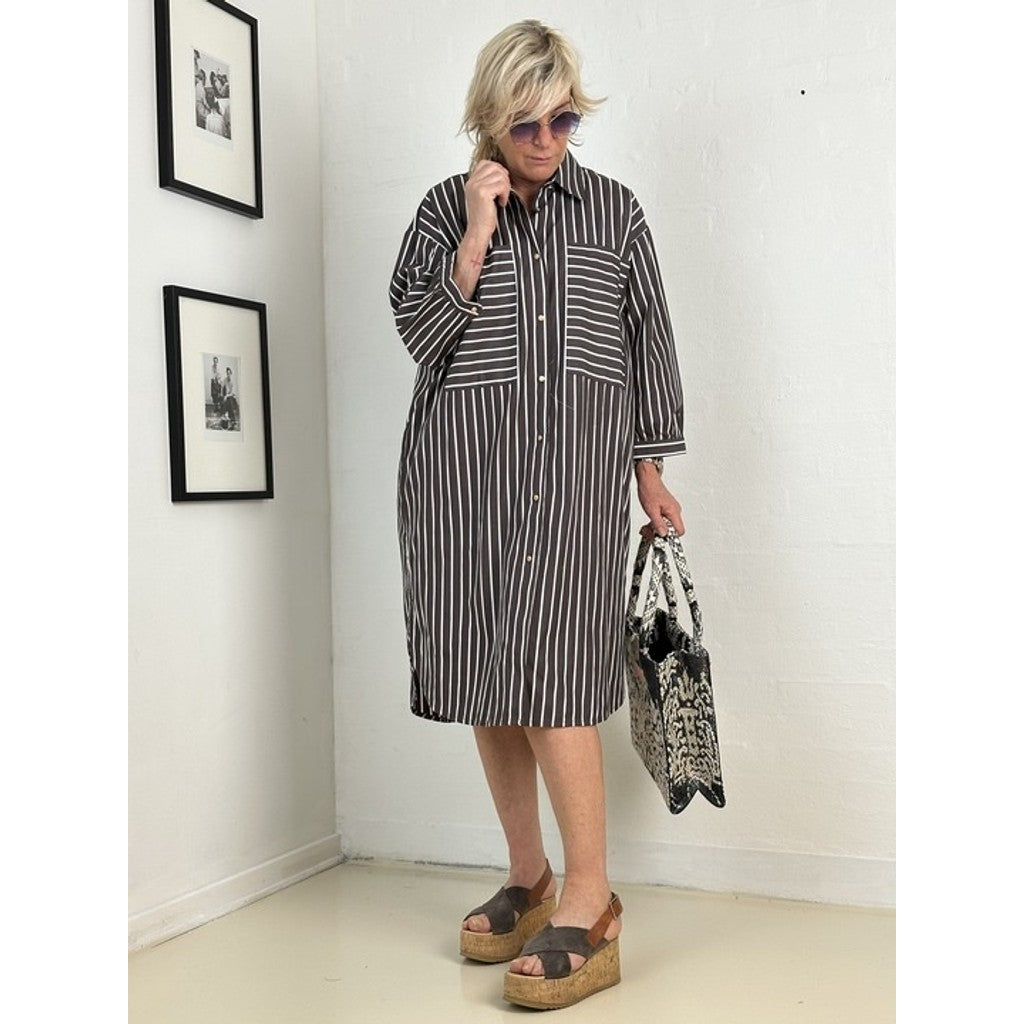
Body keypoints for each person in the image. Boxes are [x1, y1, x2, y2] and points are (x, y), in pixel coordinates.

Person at [389, 20, 686, 1011]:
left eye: (564, 120)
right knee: (490, 676)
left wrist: (649, 469)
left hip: (570, 484)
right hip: (459, 482)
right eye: (527, 124)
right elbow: (421, 335)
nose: (549, 140)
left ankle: (592, 900)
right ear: (490, 119)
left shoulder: (615, 213)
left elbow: (647, 341)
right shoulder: (443, 210)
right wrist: (476, 236)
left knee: (556, 678)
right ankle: (531, 877)